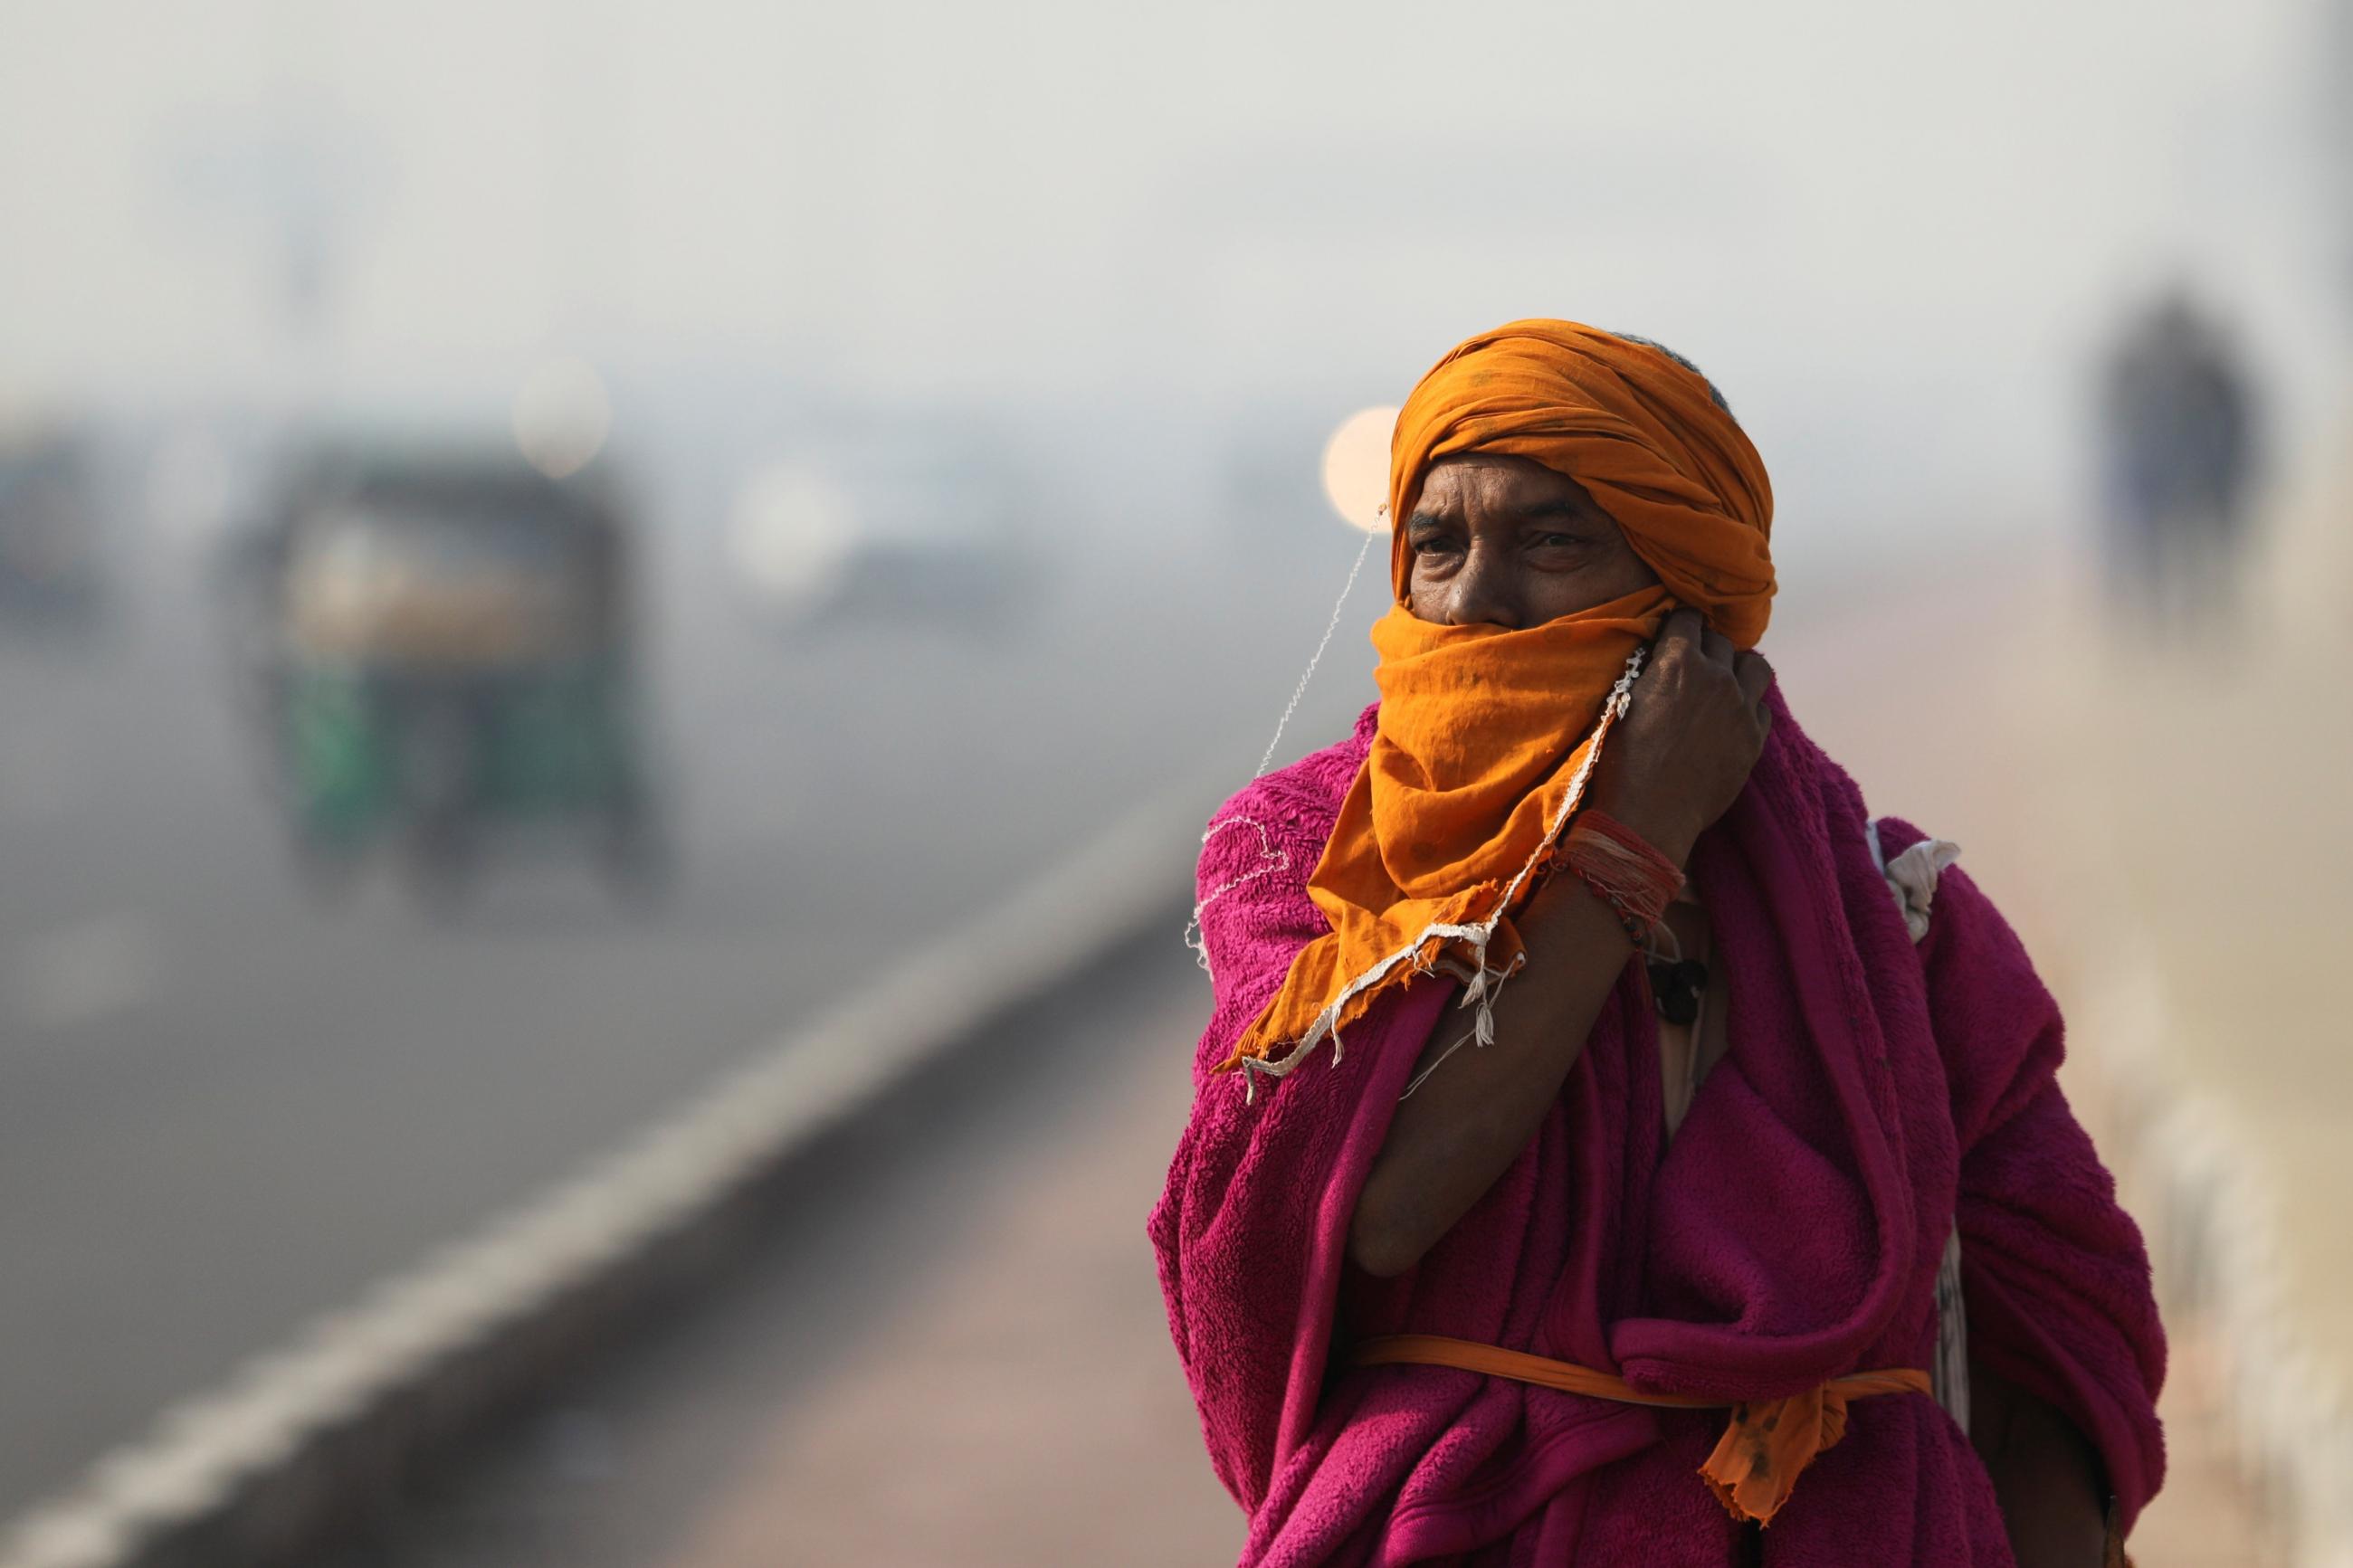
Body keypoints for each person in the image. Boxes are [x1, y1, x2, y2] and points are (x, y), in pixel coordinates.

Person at [1150, 321, 2165, 1566]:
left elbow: (2063, 1329)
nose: (1476, 599)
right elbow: (1376, 1210)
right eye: (1437, 543)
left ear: (1690, 590)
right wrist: (1631, 844)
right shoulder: (1304, 855)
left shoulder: (1892, 913)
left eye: (1552, 539)